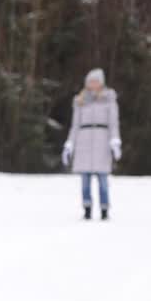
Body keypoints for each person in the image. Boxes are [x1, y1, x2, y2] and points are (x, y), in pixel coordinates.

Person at [62, 68, 122, 220]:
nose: (93, 84)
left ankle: (104, 209)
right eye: (90, 82)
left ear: (101, 83)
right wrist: (69, 144)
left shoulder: (109, 100)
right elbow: (75, 125)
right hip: (84, 142)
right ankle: (87, 208)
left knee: (103, 181)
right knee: (85, 181)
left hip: (102, 141)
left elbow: (113, 123)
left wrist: (115, 141)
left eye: (95, 81)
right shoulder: (80, 101)